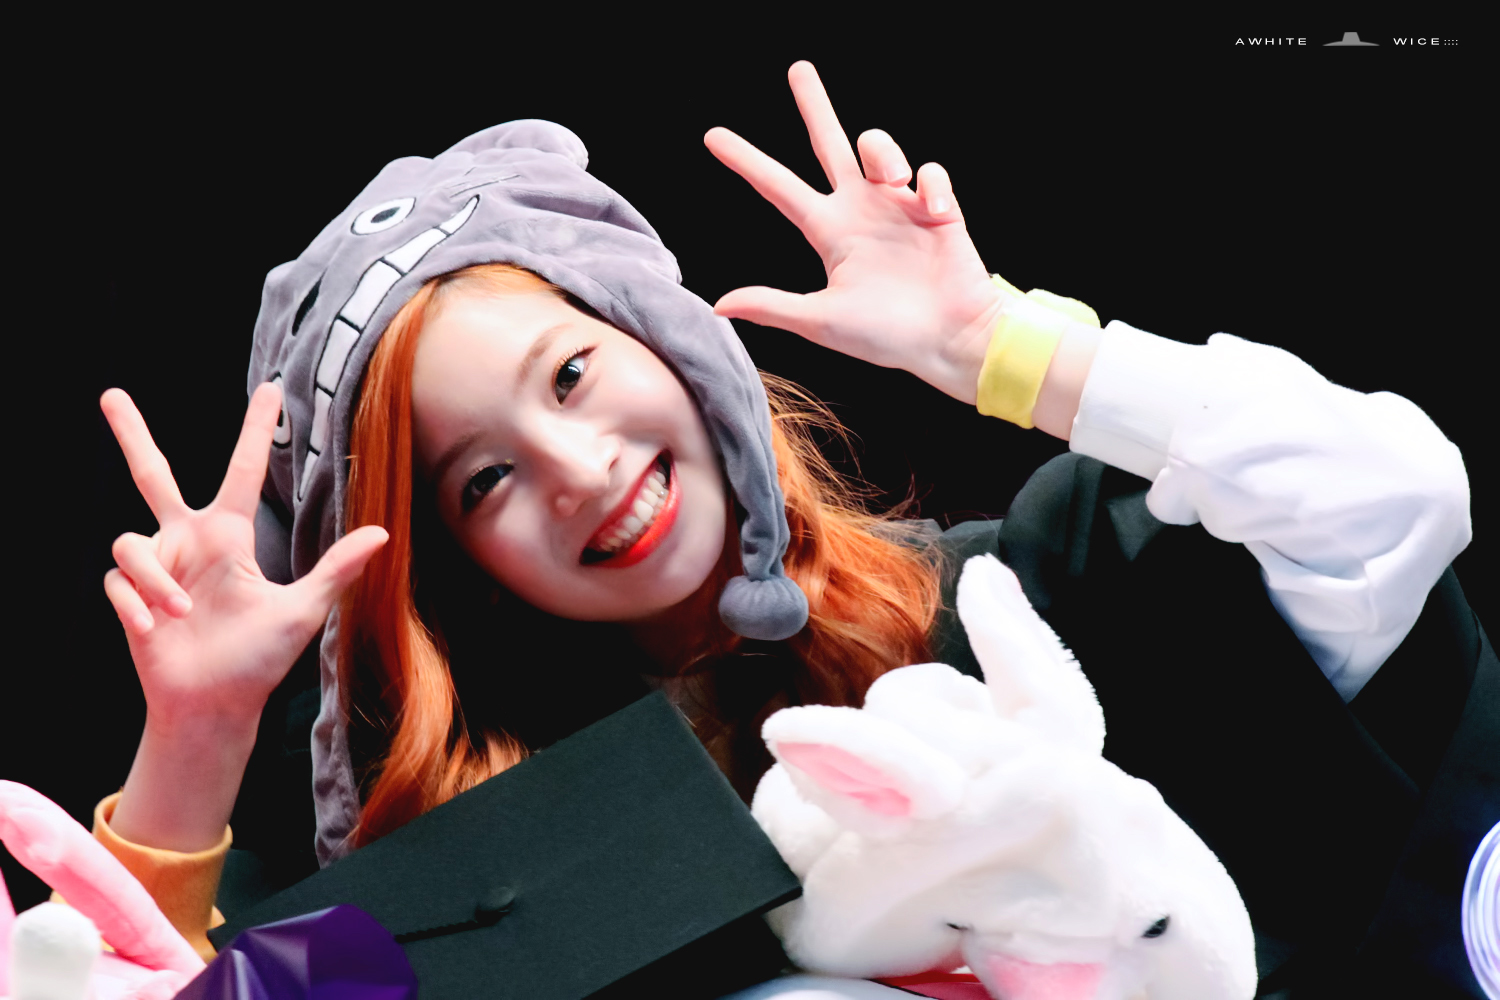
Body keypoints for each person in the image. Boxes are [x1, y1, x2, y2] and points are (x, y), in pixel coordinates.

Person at [91, 63, 1488, 996]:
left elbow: (1386, 504)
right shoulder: (490, 881)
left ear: (673, 344)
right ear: (466, 572)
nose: (576, 469)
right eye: (482, 481)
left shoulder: (1037, 602)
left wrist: (995, 345)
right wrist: (197, 741)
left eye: (571, 374)